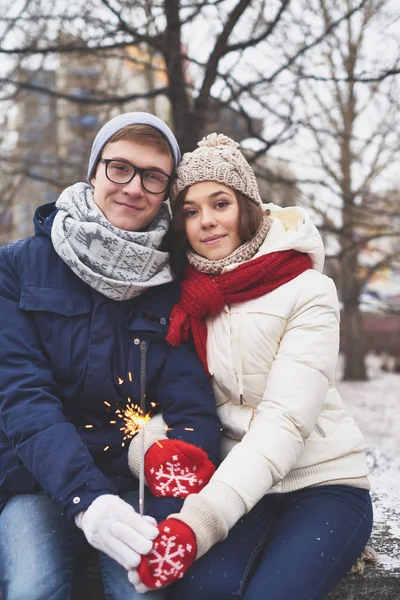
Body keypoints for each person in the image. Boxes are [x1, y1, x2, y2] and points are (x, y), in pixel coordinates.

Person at [130, 133, 373, 600]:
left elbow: (283, 421)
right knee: (200, 590)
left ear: (245, 205)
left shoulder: (308, 290)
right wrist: (147, 447)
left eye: (219, 203)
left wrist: (199, 523)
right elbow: (185, 401)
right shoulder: (186, 299)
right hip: (238, 485)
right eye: (191, 210)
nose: (207, 222)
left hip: (322, 483)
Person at [0, 114, 221, 600]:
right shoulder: (17, 268)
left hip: (135, 485)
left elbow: (193, 412)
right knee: (33, 587)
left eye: (153, 176)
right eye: (119, 168)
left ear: (166, 192)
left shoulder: (175, 285)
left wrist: (168, 509)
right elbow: (22, 396)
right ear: (94, 171)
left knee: (143, 592)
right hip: (36, 478)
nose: (133, 187)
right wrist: (86, 500)